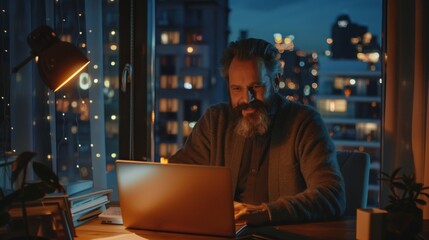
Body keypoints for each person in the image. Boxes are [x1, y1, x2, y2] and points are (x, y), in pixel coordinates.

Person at [169, 38, 346, 226]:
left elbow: (332, 195)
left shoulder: (304, 122)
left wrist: (266, 213)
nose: (247, 98)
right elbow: (174, 177)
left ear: (276, 82)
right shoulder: (215, 121)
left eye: (256, 87)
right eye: (236, 89)